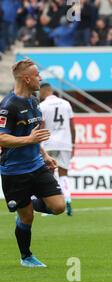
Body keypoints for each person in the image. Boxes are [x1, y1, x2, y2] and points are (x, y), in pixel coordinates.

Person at [0, 59, 66, 267]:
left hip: (37, 165)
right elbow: (1, 138)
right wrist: (29, 140)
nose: (41, 78)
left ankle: (26, 205)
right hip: (14, 171)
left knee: (58, 207)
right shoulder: (8, 106)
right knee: (27, 218)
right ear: (27, 79)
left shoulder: (35, 101)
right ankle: (26, 257)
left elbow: (34, 135)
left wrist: (44, 155)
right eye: (37, 75)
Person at [39, 83, 76, 216]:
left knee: (48, 174)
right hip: (65, 142)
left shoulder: (42, 106)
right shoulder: (66, 104)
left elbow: (41, 127)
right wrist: (73, 145)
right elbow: (72, 126)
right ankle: (67, 199)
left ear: (44, 92)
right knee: (64, 173)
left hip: (49, 143)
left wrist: (39, 146)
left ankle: (50, 206)